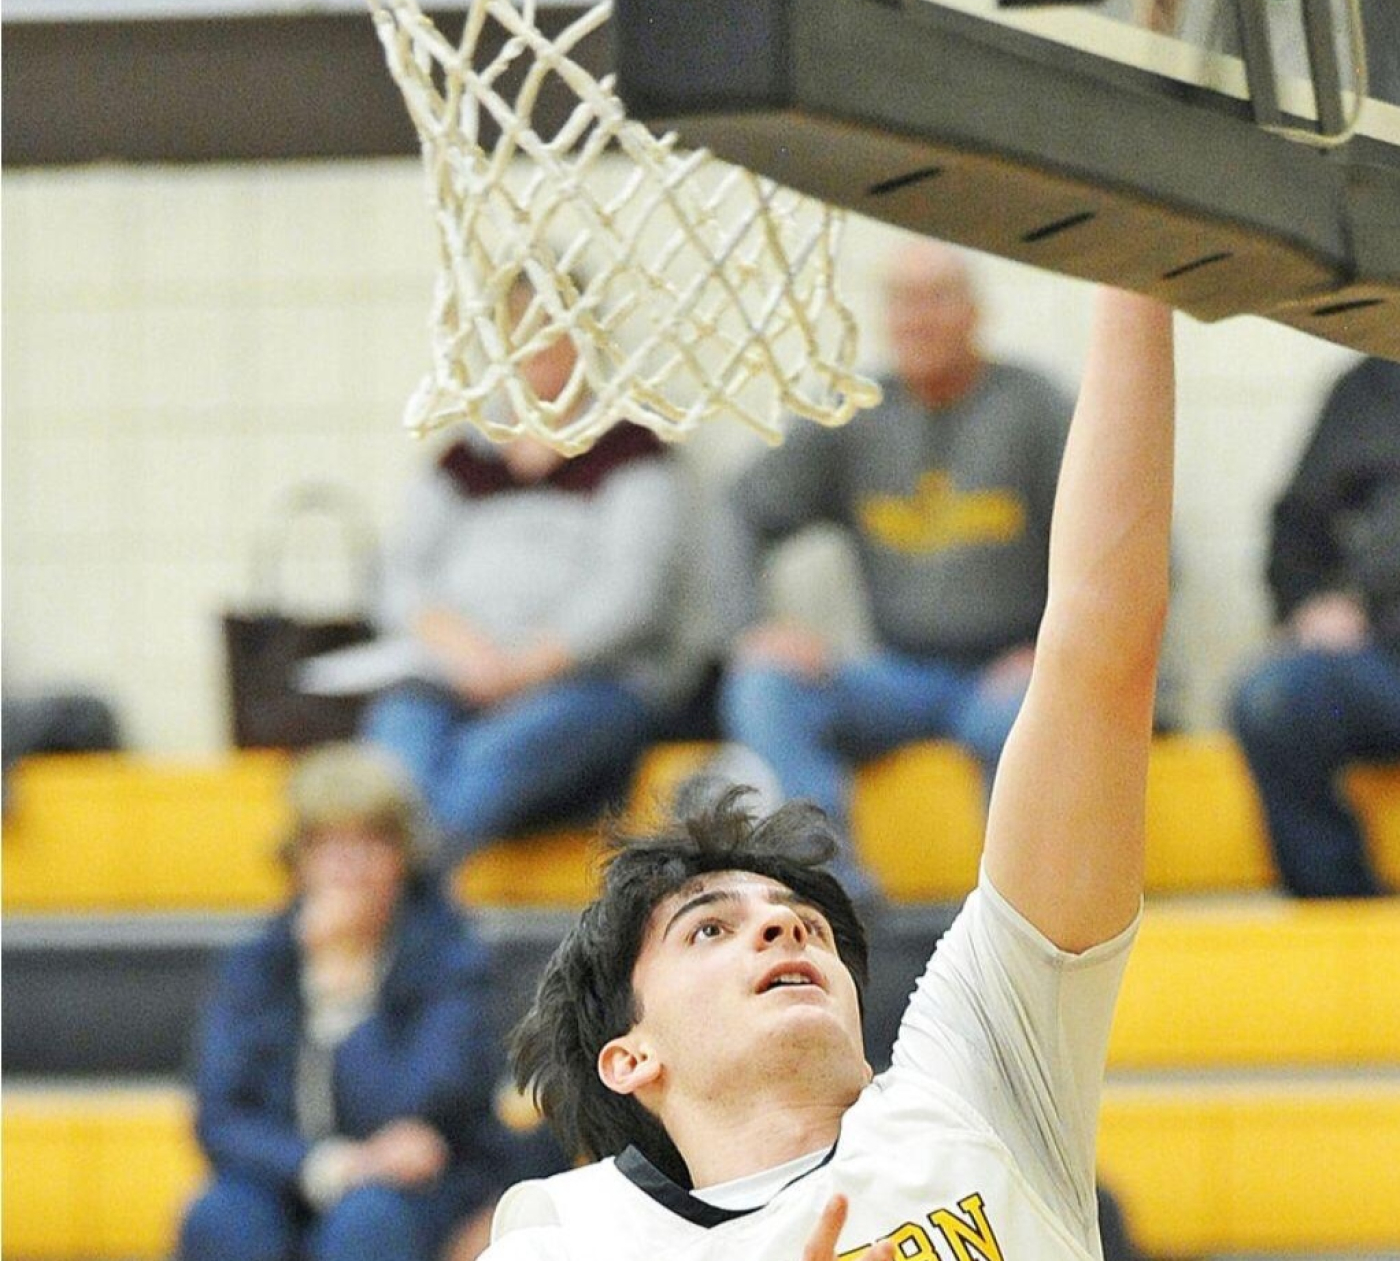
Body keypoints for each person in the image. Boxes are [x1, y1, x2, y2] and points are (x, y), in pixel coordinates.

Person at [481, 285, 1176, 1260]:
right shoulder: (573, 1235)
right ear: (631, 1055)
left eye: (799, 916)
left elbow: (1099, 651)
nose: (781, 924)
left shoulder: (973, 1083)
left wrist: (1136, 273)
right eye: (709, 927)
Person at [717, 240, 1073, 880]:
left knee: (1019, 724)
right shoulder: (855, 413)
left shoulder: (1035, 408)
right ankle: (828, 888)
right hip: (896, 673)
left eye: (937, 299)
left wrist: (1057, 654)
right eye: (903, 302)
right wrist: (754, 627)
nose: (919, 319)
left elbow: (1122, 550)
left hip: (1015, 672)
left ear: (975, 312)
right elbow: (741, 509)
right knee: (765, 687)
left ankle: (1018, 913)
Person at [361, 280, 688, 864]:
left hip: (586, 685)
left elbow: (633, 592)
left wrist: (520, 669)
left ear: (587, 341)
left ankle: (401, 884)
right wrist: (463, 652)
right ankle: (405, 881)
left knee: (489, 761)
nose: (538, 350)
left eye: (553, 333)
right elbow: (399, 576)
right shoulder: (463, 456)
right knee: (392, 756)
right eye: (520, 333)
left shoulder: (632, 452)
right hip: (452, 676)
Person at [179, 743, 516, 1261]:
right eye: (328, 846)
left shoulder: (451, 960)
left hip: (427, 1186)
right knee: (222, 1217)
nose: (348, 867)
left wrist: (346, 983)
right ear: (298, 860)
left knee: (367, 1219)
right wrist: (331, 1166)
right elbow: (220, 1119)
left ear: (404, 857)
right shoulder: (259, 961)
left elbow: (413, 1110)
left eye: (369, 843)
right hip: (293, 1177)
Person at [1229, 356, 1400, 897]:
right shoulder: (1372, 386)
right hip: (1382, 663)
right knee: (1274, 699)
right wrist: (1310, 605)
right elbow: (1296, 528)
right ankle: (1344, 912)